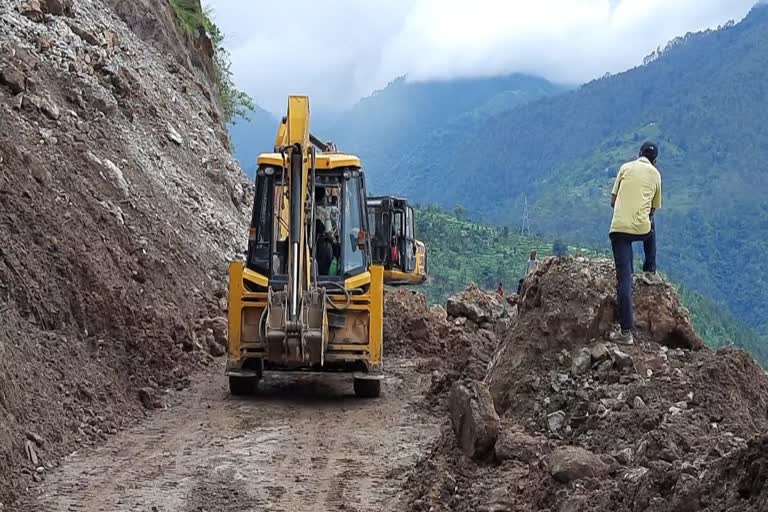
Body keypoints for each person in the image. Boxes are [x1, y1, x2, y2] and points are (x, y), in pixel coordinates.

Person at [608, 141, 663, 345]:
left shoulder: (625, 168)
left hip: (618, 229)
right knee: (652, 223)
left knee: (624, 280)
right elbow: (653, 208)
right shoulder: (656, 175)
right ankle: (650, 269)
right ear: (655, 161)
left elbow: (613, 202)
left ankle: (625, 333)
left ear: (638, 154)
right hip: (641, 230)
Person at [314, 187, 334, 275]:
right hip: (319, 250)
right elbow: (328, 232)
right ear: (323, 198)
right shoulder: (324, 212)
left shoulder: (308, 210)